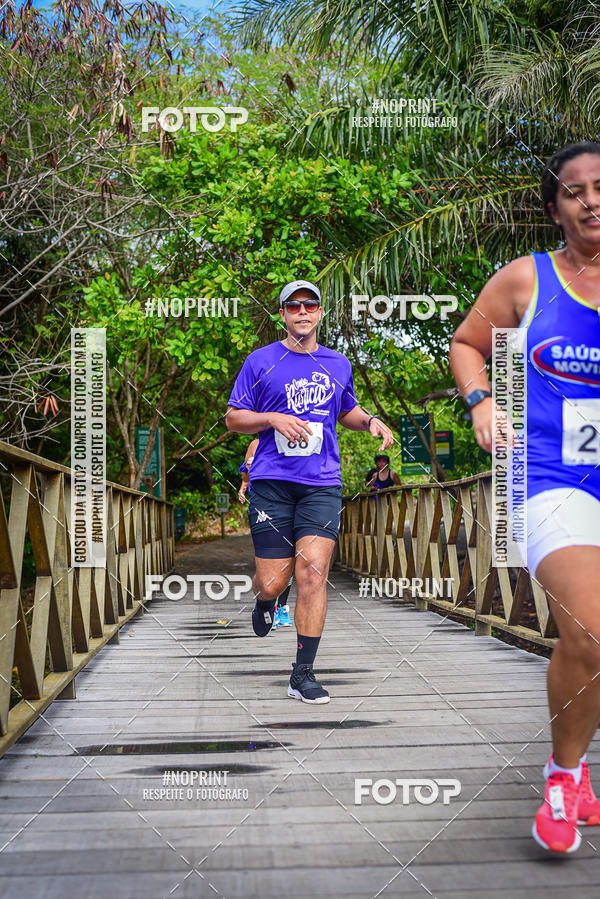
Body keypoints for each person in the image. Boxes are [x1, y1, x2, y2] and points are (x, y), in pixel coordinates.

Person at [449, 142, 600, 854]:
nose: (592, 200)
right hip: (549, 477)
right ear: (555, 210)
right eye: (576, 192)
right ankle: (563, 775)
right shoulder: (525, 280)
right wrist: (481, 399)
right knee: (592, 631)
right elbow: (467, 342)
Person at [225, 278, 394, 703]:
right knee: (272, 581)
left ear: (320, 313)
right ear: (282, 314)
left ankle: (302, 673)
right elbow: (233, 419)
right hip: (271, 483)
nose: (302, 312)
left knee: (313, 573)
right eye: (293, 306)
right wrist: (271, 420)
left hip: (321, 484)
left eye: (310, 305)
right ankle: (266, 602)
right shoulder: (260, 361)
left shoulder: (337, 364)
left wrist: (370, 420)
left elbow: (347, 410)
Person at [238, 438, 293, 628]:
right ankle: (267, 602)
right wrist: (245, 482)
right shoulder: (255, 443)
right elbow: (246, 473)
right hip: (263, 504)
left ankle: (282, 608)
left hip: (289, 501)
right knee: (271, 561)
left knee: (291, 559)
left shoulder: (294, 438)